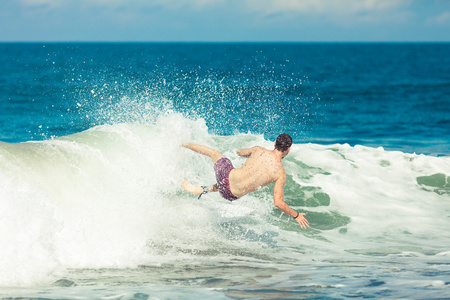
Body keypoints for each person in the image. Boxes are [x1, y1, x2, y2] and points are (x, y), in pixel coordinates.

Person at [181, 133, 309, 229]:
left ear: (275, 142)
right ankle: (202, 189)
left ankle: (182, 143)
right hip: (230, 195)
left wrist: (245, 153)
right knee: (232, 185)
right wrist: (296, 215)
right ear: (289, 149)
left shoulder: (259, 150)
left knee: (215, 154)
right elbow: (278, 203)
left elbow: (240, 152)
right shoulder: (280, 173)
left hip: (224, 176)